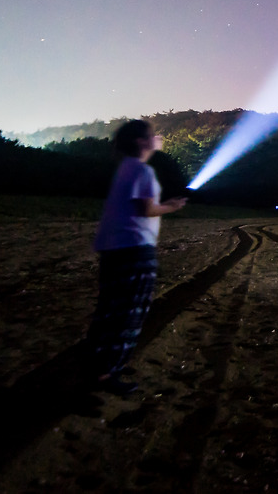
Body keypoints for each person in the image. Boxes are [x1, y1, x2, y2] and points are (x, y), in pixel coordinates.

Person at [85, 120, 186, 395]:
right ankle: (106, 374)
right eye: (153, 135)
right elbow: (147, 209)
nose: (158, 137)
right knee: (129, 312)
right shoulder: (142, 170)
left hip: (114, 248)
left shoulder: (126, 168)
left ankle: (99, 364)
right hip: (134, 249)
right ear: (142, 142)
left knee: (109, 309)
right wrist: (172, 206)